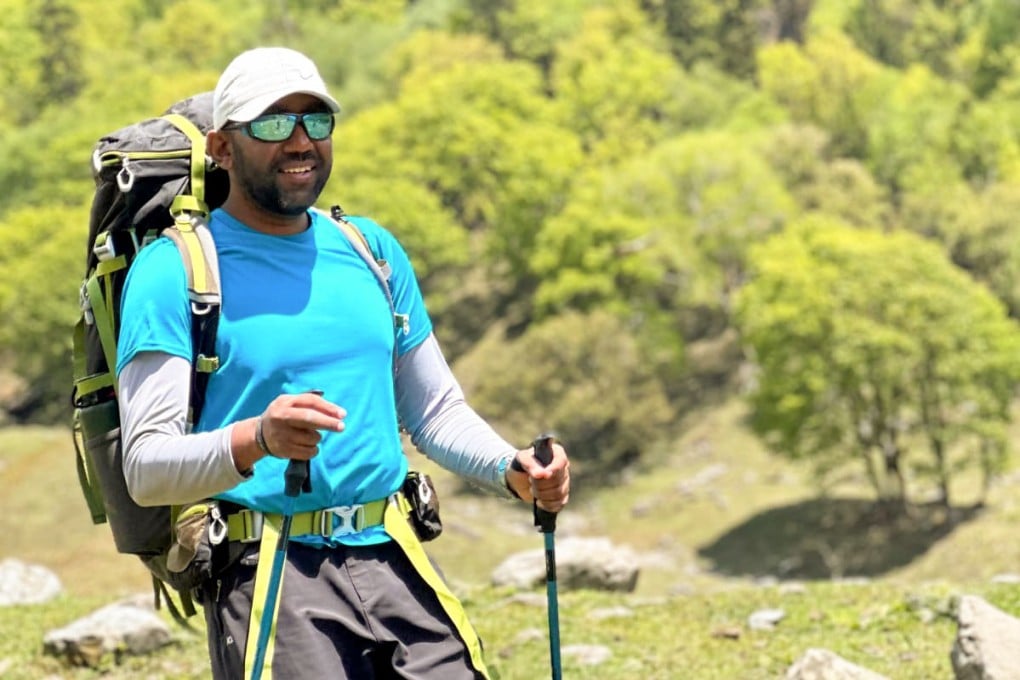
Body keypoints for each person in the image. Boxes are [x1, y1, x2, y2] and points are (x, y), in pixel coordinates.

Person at [116, 46, 571, 680]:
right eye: (273, 124)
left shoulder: (371, 250)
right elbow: (145, 467)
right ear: (222, 146)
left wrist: (510, 468)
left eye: (316, 121)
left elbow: (435, 410)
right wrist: (259, 438)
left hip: (394, 555)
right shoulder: (174, 271)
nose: (300, 141)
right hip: (271, 570)